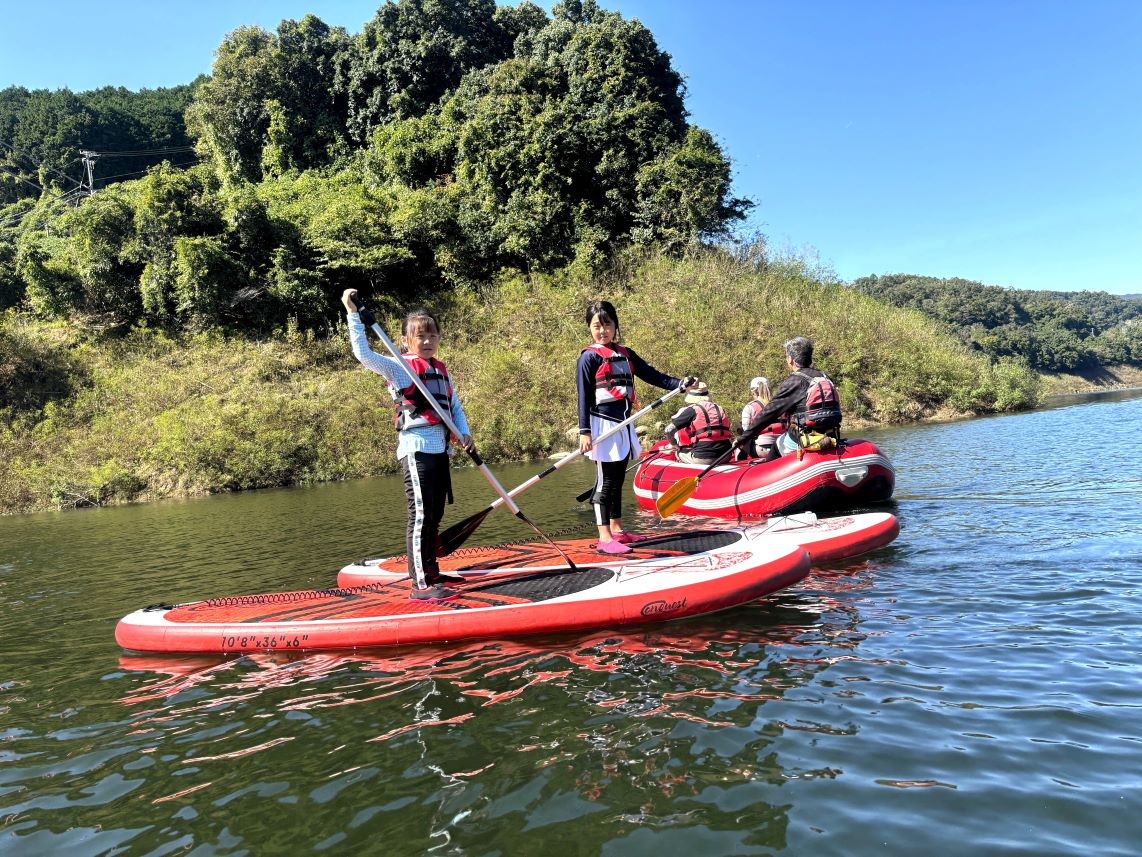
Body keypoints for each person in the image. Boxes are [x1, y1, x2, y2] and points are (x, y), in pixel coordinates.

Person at [342, 288, 475, 602]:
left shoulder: (441, 370)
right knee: (420, 515)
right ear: (406, 341)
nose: (427, 341)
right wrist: (352, 315)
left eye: (432, 335)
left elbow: (453, 407)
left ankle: (431, 570)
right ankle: (421, 586)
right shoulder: (398, 367)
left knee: (435, 514)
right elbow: (363, 354)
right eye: (420, 336)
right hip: (416, 448)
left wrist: (464, 433)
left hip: (441, 449)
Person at [577, 299, 696, 554]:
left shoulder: (626, 354)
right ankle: (604, 536)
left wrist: (680, 384)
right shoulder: (588, 358)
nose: (602, 330)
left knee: (618, 479)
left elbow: (654, 376)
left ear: (615, 325)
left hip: (624, 424)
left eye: (607, 324)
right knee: (605, 482)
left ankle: (618, 529)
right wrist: (584, 431)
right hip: (603, 427)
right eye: (597, 325)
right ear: (590, 328)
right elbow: (583, 396)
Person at [738, 336, 842, 459]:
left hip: (804, 437)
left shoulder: (794, 381)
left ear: (790, 359)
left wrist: (744, 437)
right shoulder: (824, 376)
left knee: (777, 445)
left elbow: (769, 412)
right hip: (831, 434)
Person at [664, 382, 733, 465]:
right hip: (726, 455)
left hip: (705, 459)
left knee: (679, 453)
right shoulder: (719, 408)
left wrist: (674, 445)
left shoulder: (692, 410)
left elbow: (668, 430)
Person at [739, 376, 782, 462]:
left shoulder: (750, 407)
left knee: (741, 433)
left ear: (753, 392)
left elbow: (746, 430)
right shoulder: (780, 404)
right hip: (781, 447)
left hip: (762, 450)